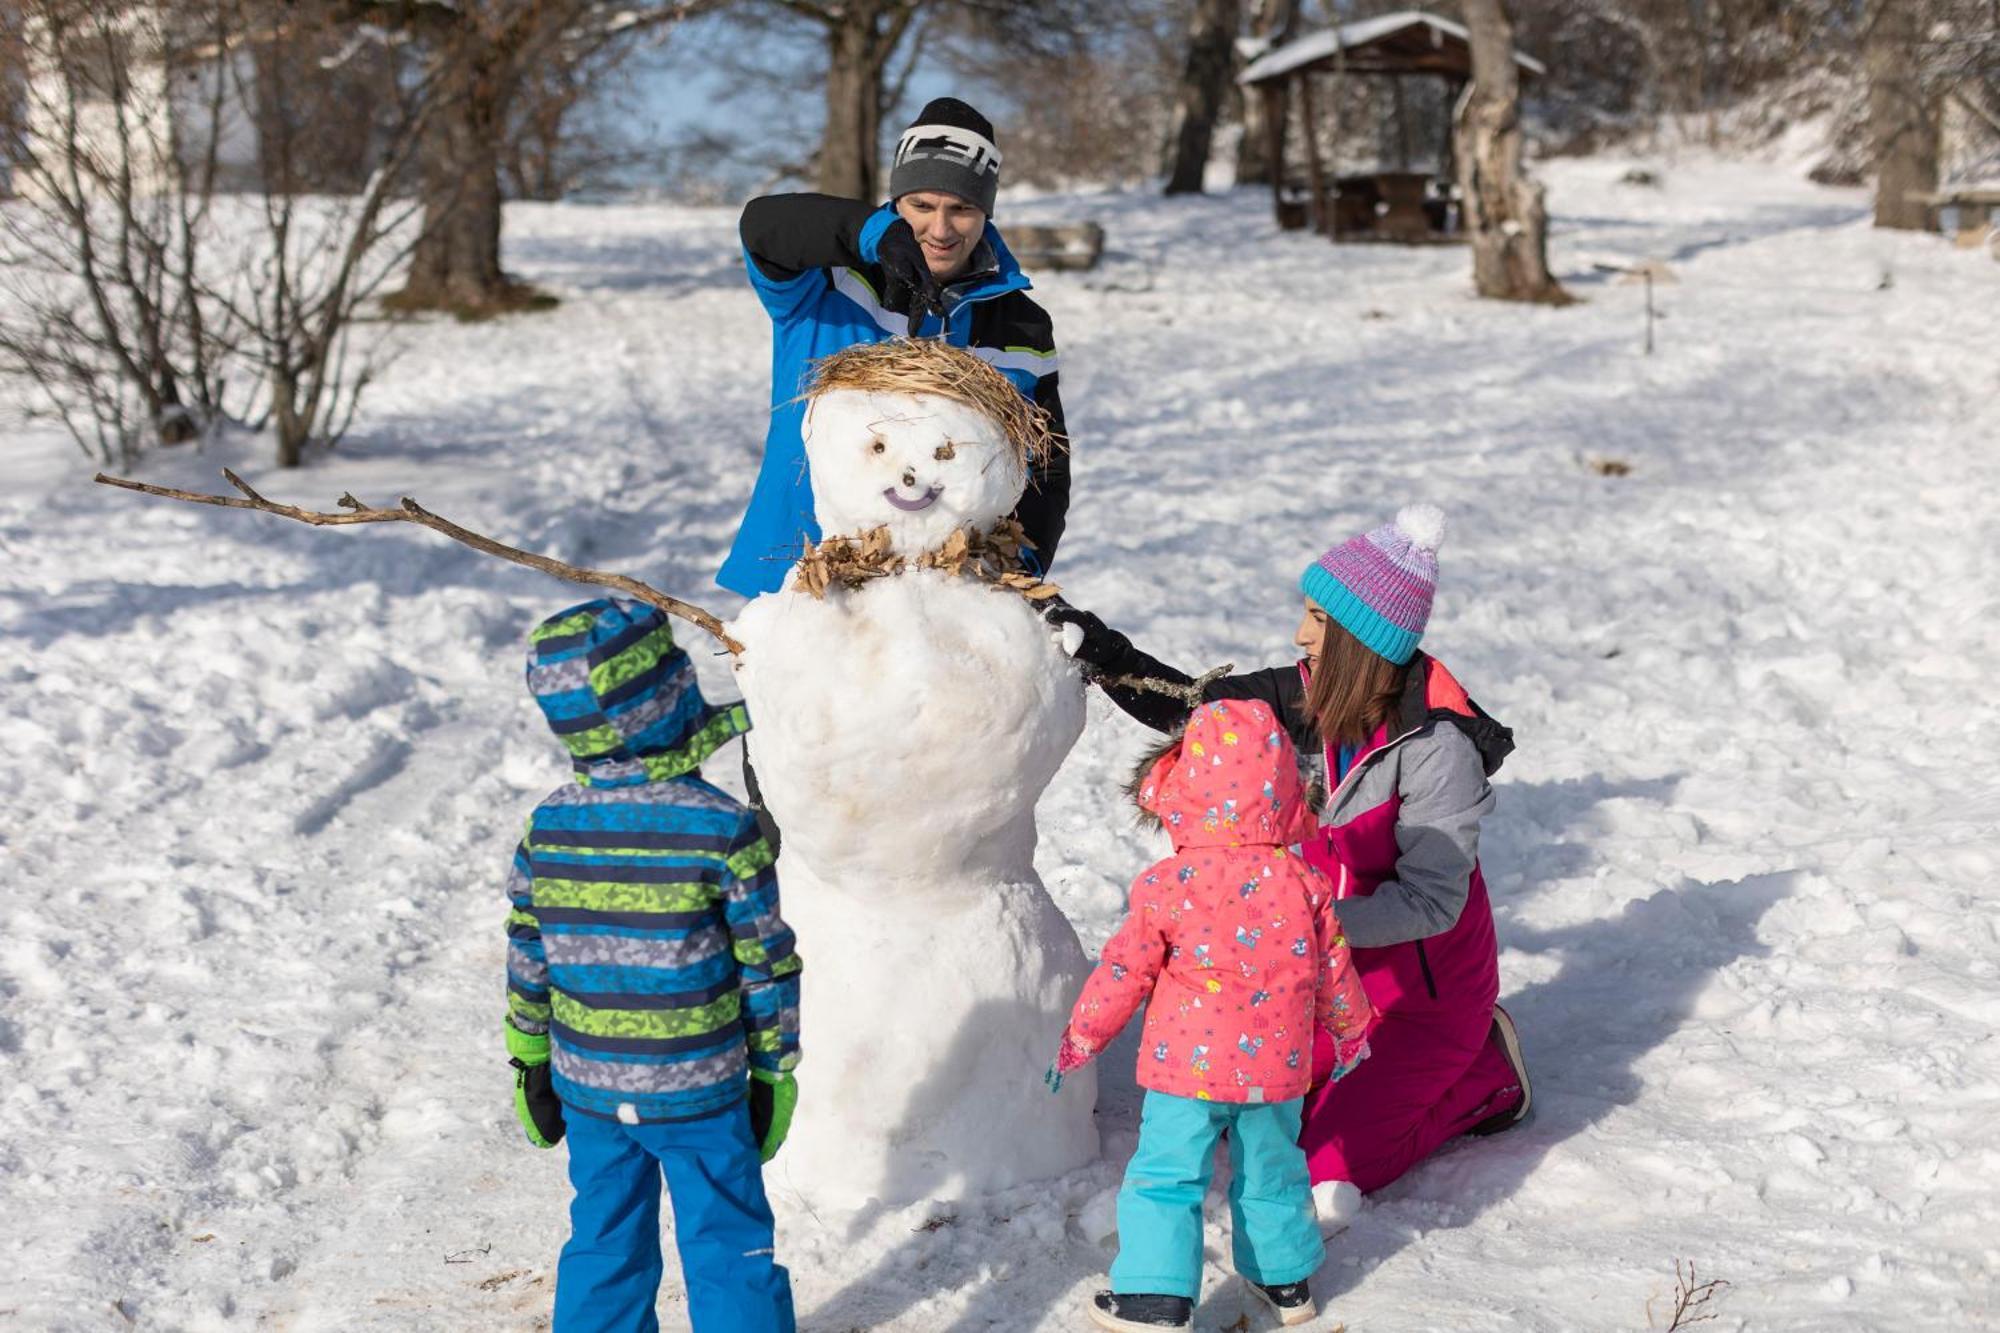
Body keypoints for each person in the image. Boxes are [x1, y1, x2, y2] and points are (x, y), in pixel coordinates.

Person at [1049, 506, 1531, 1198]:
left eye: (1319, 620)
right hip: (1330, 976)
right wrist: (1099, 651)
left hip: (1422, 996)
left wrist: (1301, 923)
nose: (1300, 634)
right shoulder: (1311, 695)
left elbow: (1432, 900)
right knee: (1248, 1105)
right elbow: (1199, 709)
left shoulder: (1436, 749)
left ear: (1363, 641)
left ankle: (1489, 1075)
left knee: (1323, 1166)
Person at [501, 598, 803, 1333]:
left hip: (592, 1089)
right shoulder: (721, 827)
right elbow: (766, 963)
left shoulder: (550, 827)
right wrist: (774, 1068)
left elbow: (528, 949)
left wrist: (529, 1052)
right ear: (673, 698)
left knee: (604, 1237)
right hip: (700, 1088)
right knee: (729, 1240)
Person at [1048, 698, 1375, 1331]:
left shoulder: (1170, 883)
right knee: (1273, 1173)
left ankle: (1154, 1298)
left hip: (1184, 1076)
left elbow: (1125, 970)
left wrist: (1084, 1033)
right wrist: (1352, 1030)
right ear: (1281, 792)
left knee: (1167, 1175)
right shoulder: (1303, 882)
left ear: (1186, 791)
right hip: (1275, 1072)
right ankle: (1284, 1285)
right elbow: (1336, 968)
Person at [722, 95, 1071, 599]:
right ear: (897, 203)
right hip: (797, 582)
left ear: (986, 211)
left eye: (963, 209)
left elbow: (1045, 464)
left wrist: (1019, 565)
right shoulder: (827, 281)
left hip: (939, 598)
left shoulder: (1019, 324)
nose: (941, 229)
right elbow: (763, 226)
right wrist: (873, 235)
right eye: (921, 206)